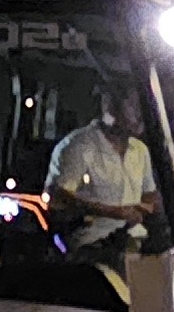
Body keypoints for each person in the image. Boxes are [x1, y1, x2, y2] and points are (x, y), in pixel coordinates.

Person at [49, 86, 158, 252]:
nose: (139, 114)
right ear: (110, 107)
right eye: (133, 106)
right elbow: (58, 198)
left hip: (136, 242)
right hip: (92, 245)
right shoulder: (78, 146)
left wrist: (145, 207)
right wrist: (112, 212)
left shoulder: (140, 150)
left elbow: (149, 195)